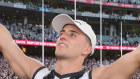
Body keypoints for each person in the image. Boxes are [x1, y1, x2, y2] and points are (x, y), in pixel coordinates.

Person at [0, 14, 140, 79]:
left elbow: (136, 56)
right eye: (62, 32)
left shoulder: (95, 77)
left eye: (73, 34)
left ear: (87, 49)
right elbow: (7, 43)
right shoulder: (39, 74)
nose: (63, 36)